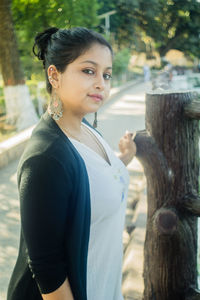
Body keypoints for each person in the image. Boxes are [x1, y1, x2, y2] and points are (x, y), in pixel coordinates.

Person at [7, 27, 137, 300]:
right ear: (54, 75)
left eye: (107, 74)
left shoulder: (86, 130)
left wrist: (122, 159)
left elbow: (92, 180)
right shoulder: (45, 158)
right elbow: (47, 270)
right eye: (89, 71)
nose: (101, 83)